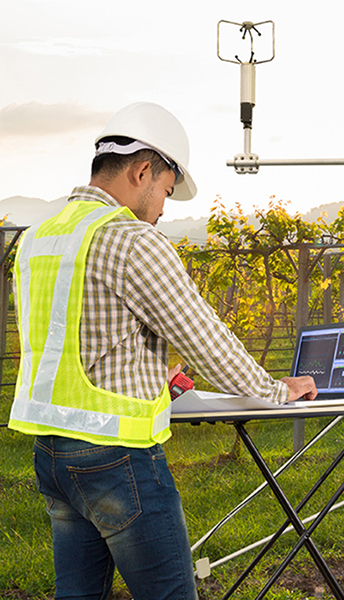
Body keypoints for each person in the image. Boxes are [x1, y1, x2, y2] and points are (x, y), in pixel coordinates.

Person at [8, 102, 317, 600]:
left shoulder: (36, 238)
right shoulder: (131, 240)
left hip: (51, 456)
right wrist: (276, 390)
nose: (163, 209)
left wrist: (149, 375)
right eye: (167, 191)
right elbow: (206, 339)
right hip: (117, 458)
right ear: (143, 170)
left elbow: (69, 341)